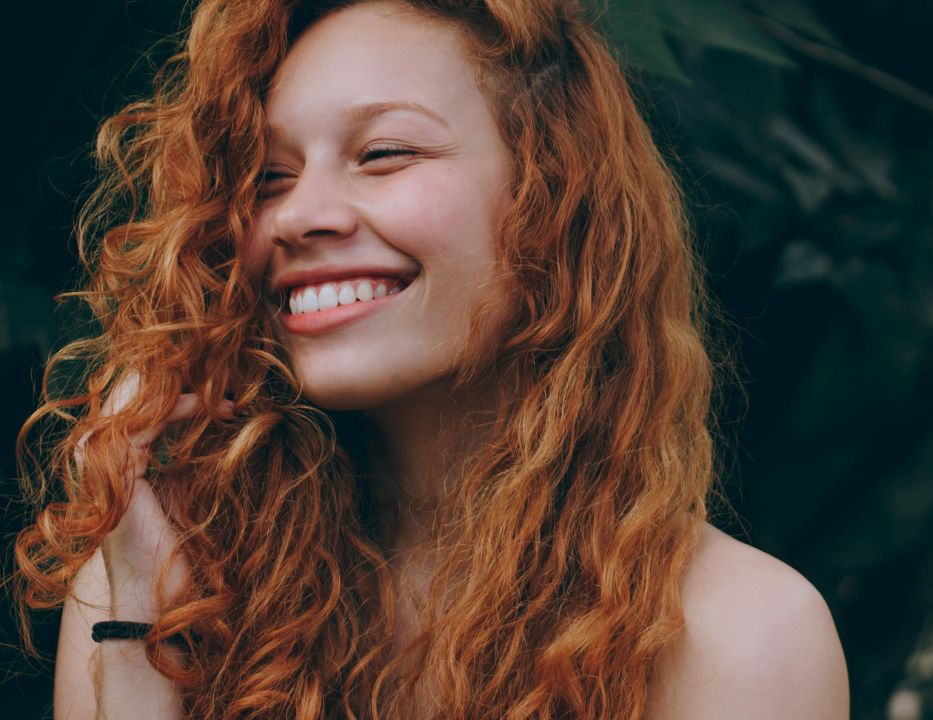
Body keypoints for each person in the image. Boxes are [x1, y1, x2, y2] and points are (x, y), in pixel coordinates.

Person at [14, 0, 849, 718]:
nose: (299, 215)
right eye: (268, 177)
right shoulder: (151, 580)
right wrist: (137, 636)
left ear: (555, 198)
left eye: (384, 153)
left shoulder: (741, 634)